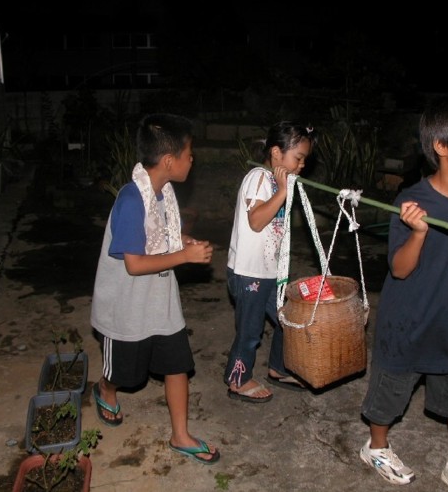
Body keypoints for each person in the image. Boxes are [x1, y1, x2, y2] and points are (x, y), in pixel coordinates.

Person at [359, 94, 448, 491]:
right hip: (409, 318)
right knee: (390, 393)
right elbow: (400, 269)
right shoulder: (411, 202)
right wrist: (419, 233)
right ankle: (376, 446)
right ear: (441, 147)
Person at [90, 113, 220, 464]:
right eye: (188, 153)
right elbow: (134, 264)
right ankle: (105, 388)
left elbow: (159, 236)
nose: (192, 159)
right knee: (124, 375)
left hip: (161, 301)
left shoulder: (163, 194)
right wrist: (183, 255)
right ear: (168, 161)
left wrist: (183, 240)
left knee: (177, 364)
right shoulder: (132, 201)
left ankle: (180, 435)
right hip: (127, 306)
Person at [223, 121, 317, 402]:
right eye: (298, 158)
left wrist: (283, 188)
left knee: (287, 321)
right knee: (250, 331)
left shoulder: (276, 181)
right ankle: (237, 380)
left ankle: (278, 368)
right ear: (276, 153)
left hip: (268, 273)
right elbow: (256, 221)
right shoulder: (259, 178)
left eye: (304, 160)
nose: (301, 165)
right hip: (248, 272)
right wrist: (283, 192)